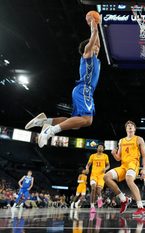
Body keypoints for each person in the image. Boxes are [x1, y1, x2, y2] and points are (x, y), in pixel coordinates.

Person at [25, 14, 101, 148]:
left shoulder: (94, 56)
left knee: (75, 124)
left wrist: (98, 25)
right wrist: (93, 23)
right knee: (87, 120)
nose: (98, 47)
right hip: (84, 89)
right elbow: (94, 35)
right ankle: (50, 131)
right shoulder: (87, 54)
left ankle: (44, 121)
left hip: (83, 90)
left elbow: (97, 41)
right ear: (88, 47)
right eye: (95, 45)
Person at [104, 121, 145, 217]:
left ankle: (141, 207)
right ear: (126, 129)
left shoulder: (139, 139)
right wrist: (113, 154)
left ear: (135, 129)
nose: (130, 126)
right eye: (128, 126)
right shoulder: (121, 141)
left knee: (129, 178)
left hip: (134, 164)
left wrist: (144, 169)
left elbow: (144, 156)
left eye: (132, 125)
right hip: (123, 166)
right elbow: (118, 158)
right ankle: (124, 199)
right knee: (106, 177)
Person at [86, 145, 110, 213]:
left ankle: (100, 198)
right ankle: (92, 206)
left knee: (98, 191)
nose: (100, 148)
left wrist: (105, 168)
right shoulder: (92, 156)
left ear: (103, 149)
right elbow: (88, 164)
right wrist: (87, 169)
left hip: (101, 176)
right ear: (97, 148)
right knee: (93, 189)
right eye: (99, 146)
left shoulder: (105, 156)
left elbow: (108, 165)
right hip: (93, 175)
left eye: (102, 147)